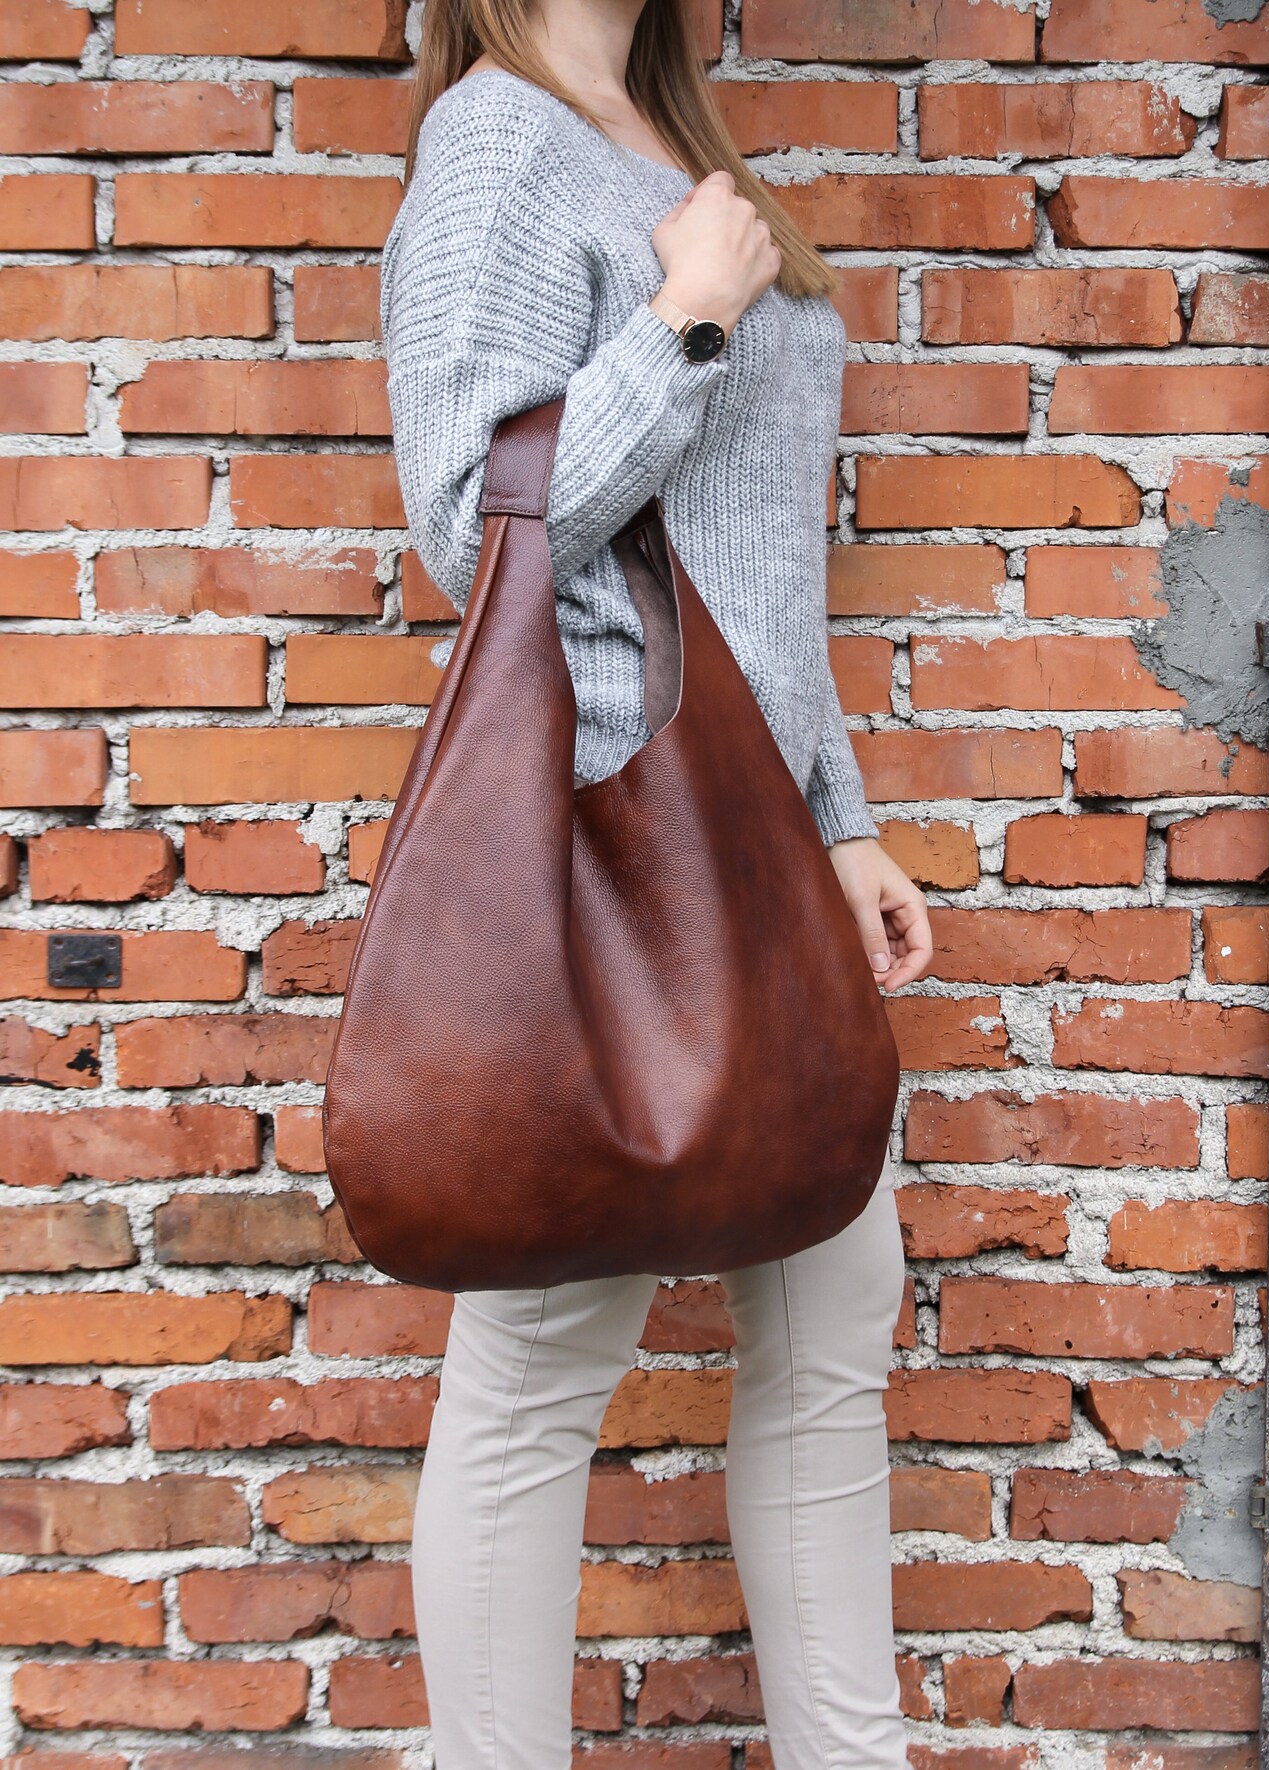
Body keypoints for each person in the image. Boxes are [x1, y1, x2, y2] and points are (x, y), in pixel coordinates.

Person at [378, 1, 935, 1764]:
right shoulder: (496, 144)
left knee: (834, 1341)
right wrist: (687, 312)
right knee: (538, 1380)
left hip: (769, 868)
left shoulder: (684, 141)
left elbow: (762, 564)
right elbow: (478, 527)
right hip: (613, 852)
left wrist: (840, 821)